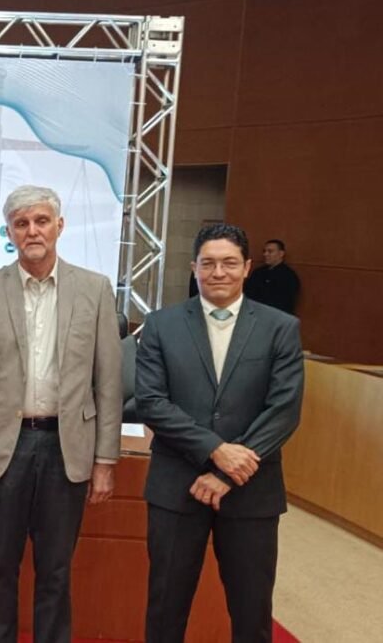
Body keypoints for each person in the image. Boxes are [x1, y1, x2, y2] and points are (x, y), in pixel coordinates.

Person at [0, 185, 122, 643]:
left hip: (67, 449)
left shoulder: (95, 289)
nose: (32, 231)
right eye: (21, 223)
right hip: (2, 449)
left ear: (59, 226)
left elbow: (108, 382)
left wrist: (105, 462)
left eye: (41, 221)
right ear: (9, 232)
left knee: (56, 570)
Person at [136, 223, 304, 642]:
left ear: (247, 267)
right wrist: (216, 450)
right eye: (208, 263)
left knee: (252, 612)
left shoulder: (280, 327)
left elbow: (283, 410)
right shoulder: (160, 325)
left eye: (229, 263)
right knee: (165, 608)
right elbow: (152, 402)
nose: (218, 272)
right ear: (193, 267)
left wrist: (228, 470)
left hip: (252, 490)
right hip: (177, 487)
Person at [244, 238, 300, 314]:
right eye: (264, 251)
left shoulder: (288, 276)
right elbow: (247, 292)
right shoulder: (258, 272)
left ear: (281, 254)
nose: (265, 254)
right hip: (253, 312)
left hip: (275, 315)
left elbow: (285, 301)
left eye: (270, 251)